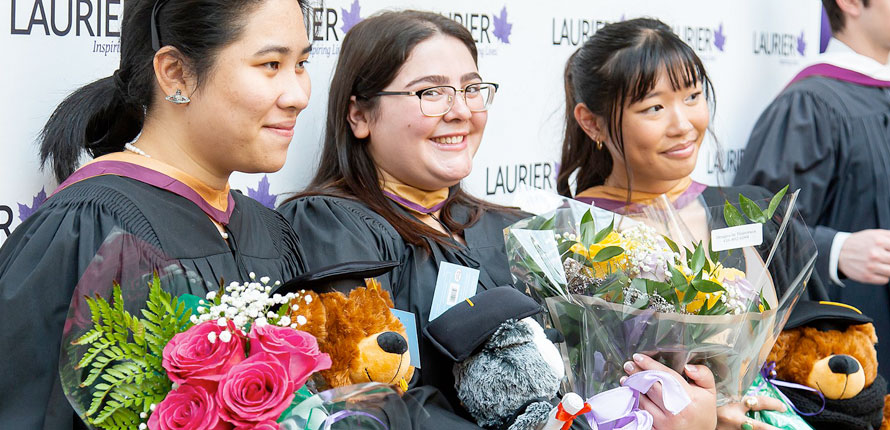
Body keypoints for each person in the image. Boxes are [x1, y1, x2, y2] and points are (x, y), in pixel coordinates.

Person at [0, 0, 312, 427]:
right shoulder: (91, 223)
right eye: (271, 64)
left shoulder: (268, 229)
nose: (299, 95)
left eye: (302, 63)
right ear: (175, 73)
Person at [558, 18, 830, 430]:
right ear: (592, 122)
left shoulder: (755, 213)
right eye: (653, 107)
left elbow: (816, 348)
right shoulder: (572, 240)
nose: (683, 124)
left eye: (692, 96)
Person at [278, 11, 524, 428]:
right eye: (431, 93)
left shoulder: (513, 229)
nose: (461, 110)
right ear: (359, 115)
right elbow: (373, 399)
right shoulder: (331, 225)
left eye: (471, 88)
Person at [735, 0, 890, 379]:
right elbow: (752, 228)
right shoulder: (810, 105)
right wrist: (834, 250)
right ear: (850, 3)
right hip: (841, 361)